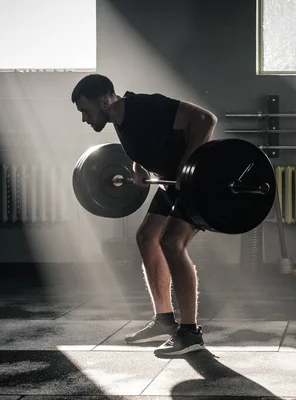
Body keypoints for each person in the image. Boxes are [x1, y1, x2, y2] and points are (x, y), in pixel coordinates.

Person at [71, 74, 217, 356]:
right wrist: (138, 165)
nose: (85, 119)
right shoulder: (118, 118)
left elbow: (205, 120)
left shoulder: (146, 107)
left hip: (197, 181)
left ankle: (190, 333)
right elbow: (144, 140)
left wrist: (187, 166)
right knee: (147, 237)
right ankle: (164, 321)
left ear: (104, 101)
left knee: (171, 243)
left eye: (85, 111)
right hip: (170, 181)